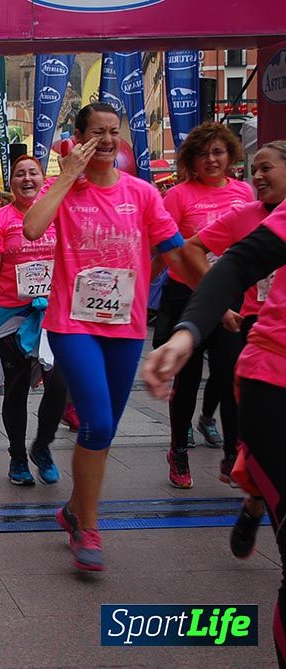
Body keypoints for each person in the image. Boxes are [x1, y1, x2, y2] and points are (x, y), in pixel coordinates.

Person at [22, 103, 196, 571]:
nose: (105, 140)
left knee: (105, 431)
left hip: (126, 327)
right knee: (96, 424)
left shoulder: (141, 194)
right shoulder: (67, 193)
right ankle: (88, 527)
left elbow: (175, 254)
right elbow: (32, 227)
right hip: (72, 323)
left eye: (113, 132)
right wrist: (64, 177)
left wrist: (215, 303)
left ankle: (73, 510)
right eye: (96, 132)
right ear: (78, 138)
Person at [142, 202, 286, 668]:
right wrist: (185, 335)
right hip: (275, 372)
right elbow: (238, 260)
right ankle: (211, 461)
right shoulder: (233, 208)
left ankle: (254, 492)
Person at [179, 140, 286, 549]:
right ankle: (250, 482)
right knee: (223, 389)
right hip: (253, 332)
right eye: (254, 169)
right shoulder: (247, 216)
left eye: (266, 169)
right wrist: (209, 310)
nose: (257, 177)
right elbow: (193, 249)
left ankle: (256, 495)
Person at [154, 122, 254, 489]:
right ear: (190, 160)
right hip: (188, 298)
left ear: (230, 155)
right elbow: (169, 251)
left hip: (234, 296)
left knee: (231, 376)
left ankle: (232, 454)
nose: (211, 160)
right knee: (188, 378)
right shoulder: (177, 196)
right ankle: (178, 448)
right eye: (203, 154)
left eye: (218, 152)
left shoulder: (244, 192)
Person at [0, 155, 67, 486]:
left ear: (42, 179)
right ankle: (18, 458)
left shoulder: (57, 212)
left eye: (33, 173)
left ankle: (43, 447)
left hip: (52, 315)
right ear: (11, 184)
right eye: (20, 174)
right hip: (10, 316)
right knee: (17, 389)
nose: (27, 178)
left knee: (60, 385)